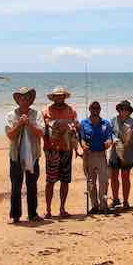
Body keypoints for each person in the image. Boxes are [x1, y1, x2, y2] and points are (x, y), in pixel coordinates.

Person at [5, 87, 45, 223]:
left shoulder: (37, 114)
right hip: (15, 155)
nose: (24, 100)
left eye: (27, 98)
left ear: (30, 100)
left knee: (32, 185)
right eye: (22, 98)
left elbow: (41, 133)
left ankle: (32, 214)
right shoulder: (11, 115)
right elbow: (10, 135)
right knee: (16, 185)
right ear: (18, 100)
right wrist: (20, 123)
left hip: (33, 155)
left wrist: (29, 123)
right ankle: (15, 215)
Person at [43, 86, 80, 218]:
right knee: (50, 181)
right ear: (53, 97)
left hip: (67, 149)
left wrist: (75, 127)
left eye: (61, 95)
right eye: (57, 95)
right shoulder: (47, 110)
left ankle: (62, 209)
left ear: (64, 96)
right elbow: (43, 130)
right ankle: (48, 210)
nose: (59, 97)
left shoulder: (71, 110)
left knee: (65, 180)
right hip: (52, 150)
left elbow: (76, 127)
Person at [79, 101, 113, 214]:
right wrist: (83, 144)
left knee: (104, 181)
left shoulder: (106, 123)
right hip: (88, 155)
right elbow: (81, 138)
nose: (95, 110)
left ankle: (103, 204)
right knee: (90, 182)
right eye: (93, 108)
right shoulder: (83, 123)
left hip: (101, 154)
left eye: (97, 108)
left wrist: (109, 142)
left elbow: (110, 138)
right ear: (89, 109)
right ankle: (94, 205)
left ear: (100, 109)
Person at [108, 100, 133, 209]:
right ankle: (115, 200)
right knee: (114, 177)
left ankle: (126, 201)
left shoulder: (132, 122)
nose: (124, 111)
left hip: (128, 152)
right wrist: (114, 139)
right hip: (115, 152)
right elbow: (109, 133)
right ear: (119, 110)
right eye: (122, 109)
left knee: (125, 177)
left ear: (129, 111)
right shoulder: (113, 120)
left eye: (126, 109)